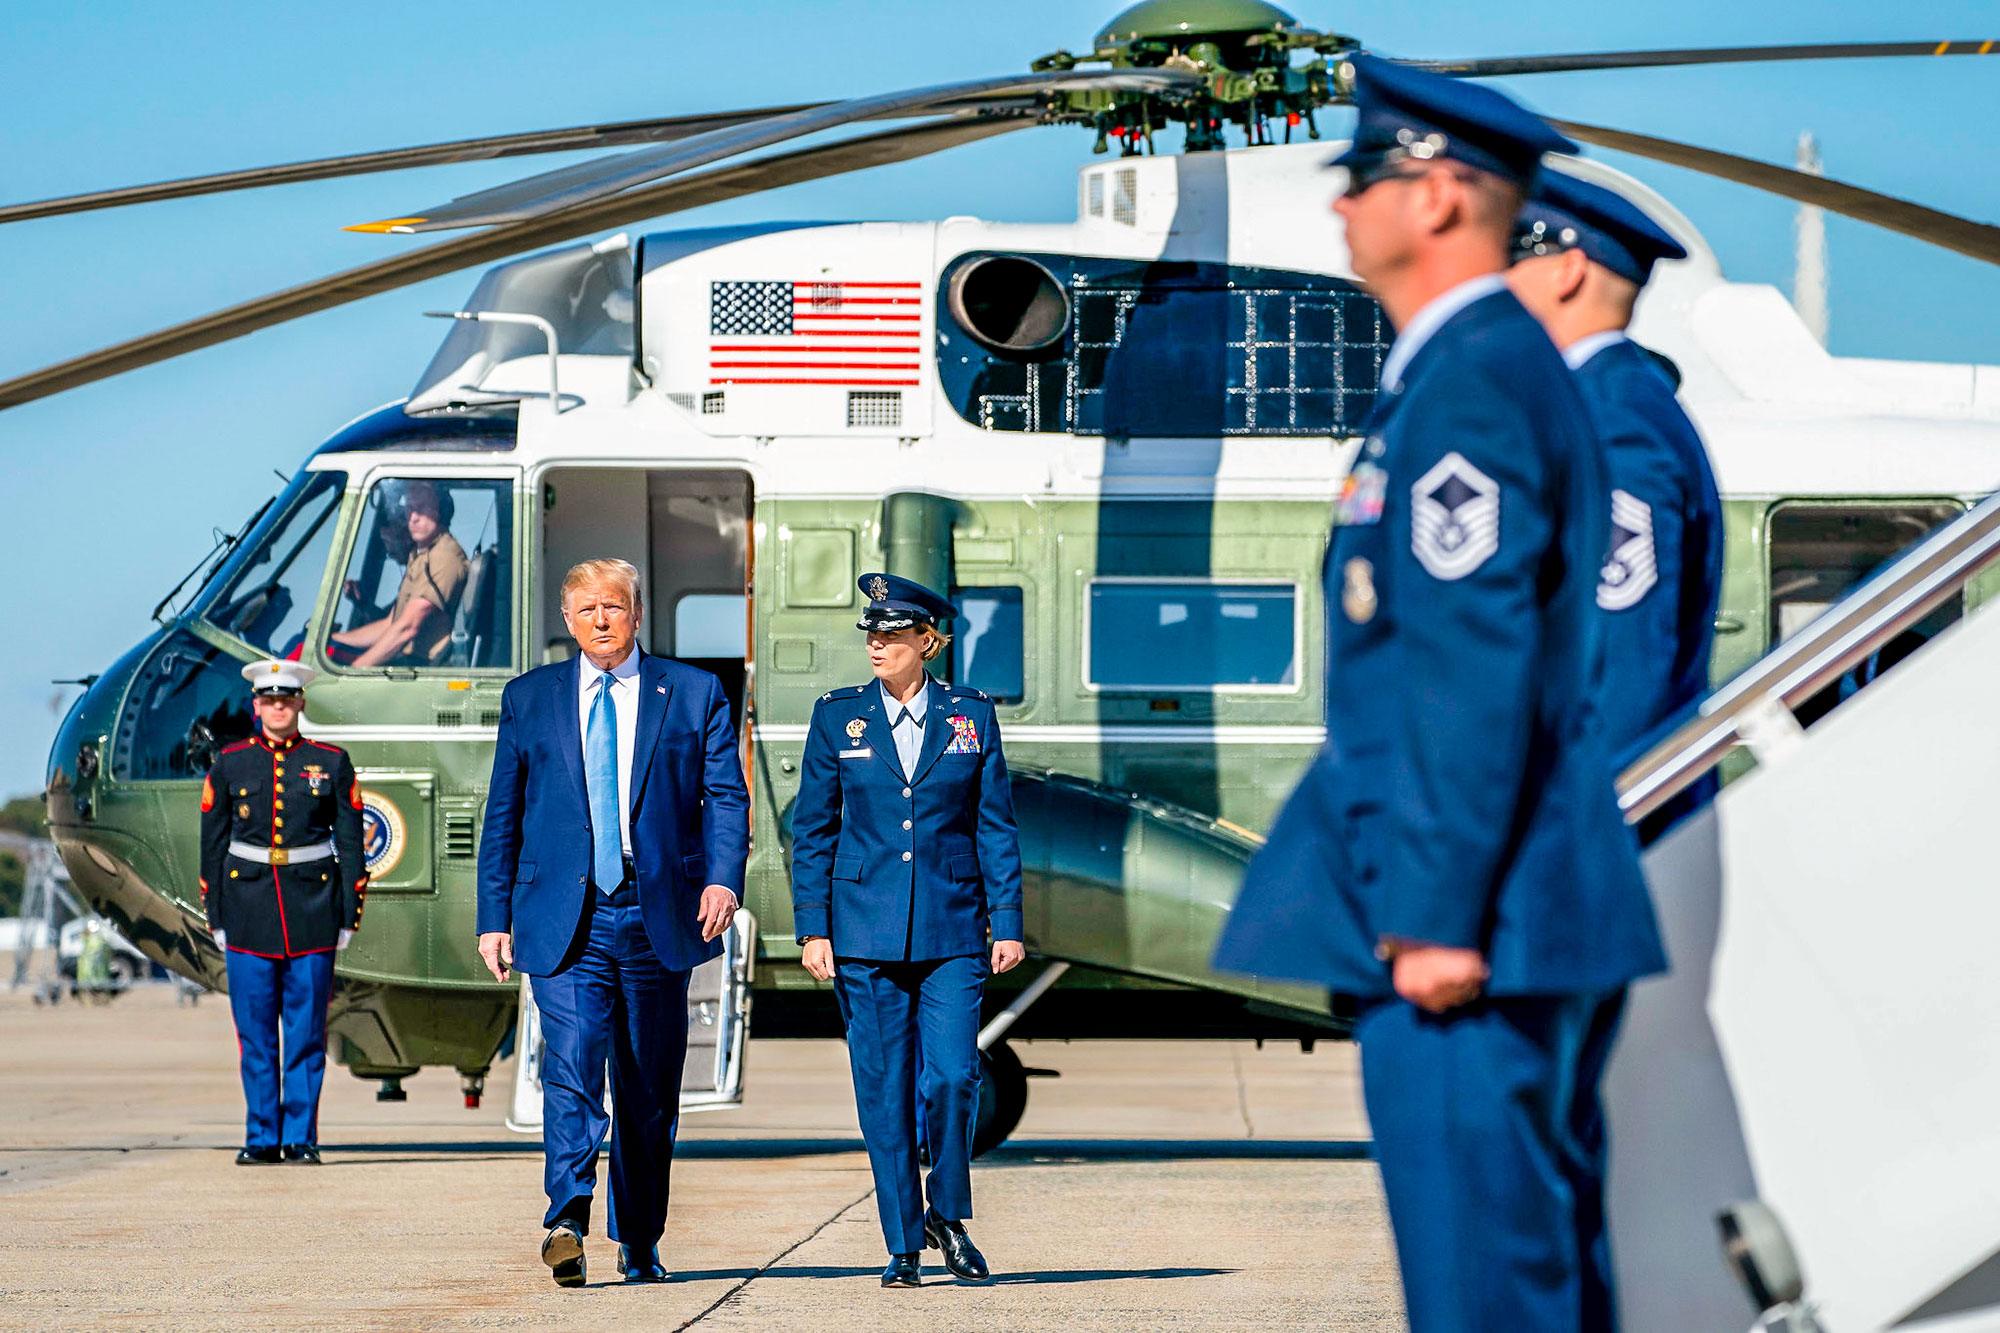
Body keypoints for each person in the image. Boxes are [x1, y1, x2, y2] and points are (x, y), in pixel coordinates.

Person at [1214, 55, 1665, 1332]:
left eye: (1361, 178)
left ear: (1437, 195)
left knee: (1485, 1293)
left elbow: (1464, 663)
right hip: (1509, 905)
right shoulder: (1472, 368)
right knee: (1527, 1274)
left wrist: (1433, 911)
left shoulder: (1467, 378)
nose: (1337, 208)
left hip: (1477, 923)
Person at [475, 558, 749, 1288]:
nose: (602, 620)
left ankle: (640, 1238)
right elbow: (503, 813)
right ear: (567, 619)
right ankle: (566, 1218)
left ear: (637, 614)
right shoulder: (529, 698)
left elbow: (726, 795)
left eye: (615, 607)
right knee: (570, 1064)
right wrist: (491, 918)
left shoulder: (692, 694)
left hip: (654, 912)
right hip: (568, 917)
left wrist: (722, 878)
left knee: (647, 1087)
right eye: (587, 608)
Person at [790, 573, 1025, 1289]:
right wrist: (813, 928)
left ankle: (947, 1214)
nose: (877, 645)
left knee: (954, 1076)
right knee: (883, 1088)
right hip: (863, 935)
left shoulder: (971, 717)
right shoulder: (838, 717)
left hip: (955, 929)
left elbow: (995, 826)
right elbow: (813, 830)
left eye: (892, 635)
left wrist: (1007, 921)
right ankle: (902, 1242)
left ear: (928, 640)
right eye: (871, 634)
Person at [1506, 168, 1726, 845]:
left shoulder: (1612, 422)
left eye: (1510, 261)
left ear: (1568, 271)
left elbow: (1620, 661)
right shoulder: (1609, 402)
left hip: (1594, 839)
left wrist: (1575, 842)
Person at [199, 659, 367, 1167]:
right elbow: (213, 844)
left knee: (305, 1033)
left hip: (311, 911)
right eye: (268, 700)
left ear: (300, 704)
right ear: (256, 706)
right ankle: (260, 1136)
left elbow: (351, 842)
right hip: (247, 910)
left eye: (286, 699)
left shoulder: (331, 762)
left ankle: (300, 1137)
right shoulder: (230, 764)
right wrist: (216, 913)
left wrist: (348, 911)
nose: (278, 706)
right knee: (254, 1036)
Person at [330, 480, 467, 668]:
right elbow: (391, 624)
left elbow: (407, 628)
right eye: (410, 509)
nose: (413, 518)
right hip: (409, 660)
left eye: (421, 509)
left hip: (424, 666)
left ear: (440, 510)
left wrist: (350, 674)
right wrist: (336, 640)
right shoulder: (421, 555)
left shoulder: (444, 558)